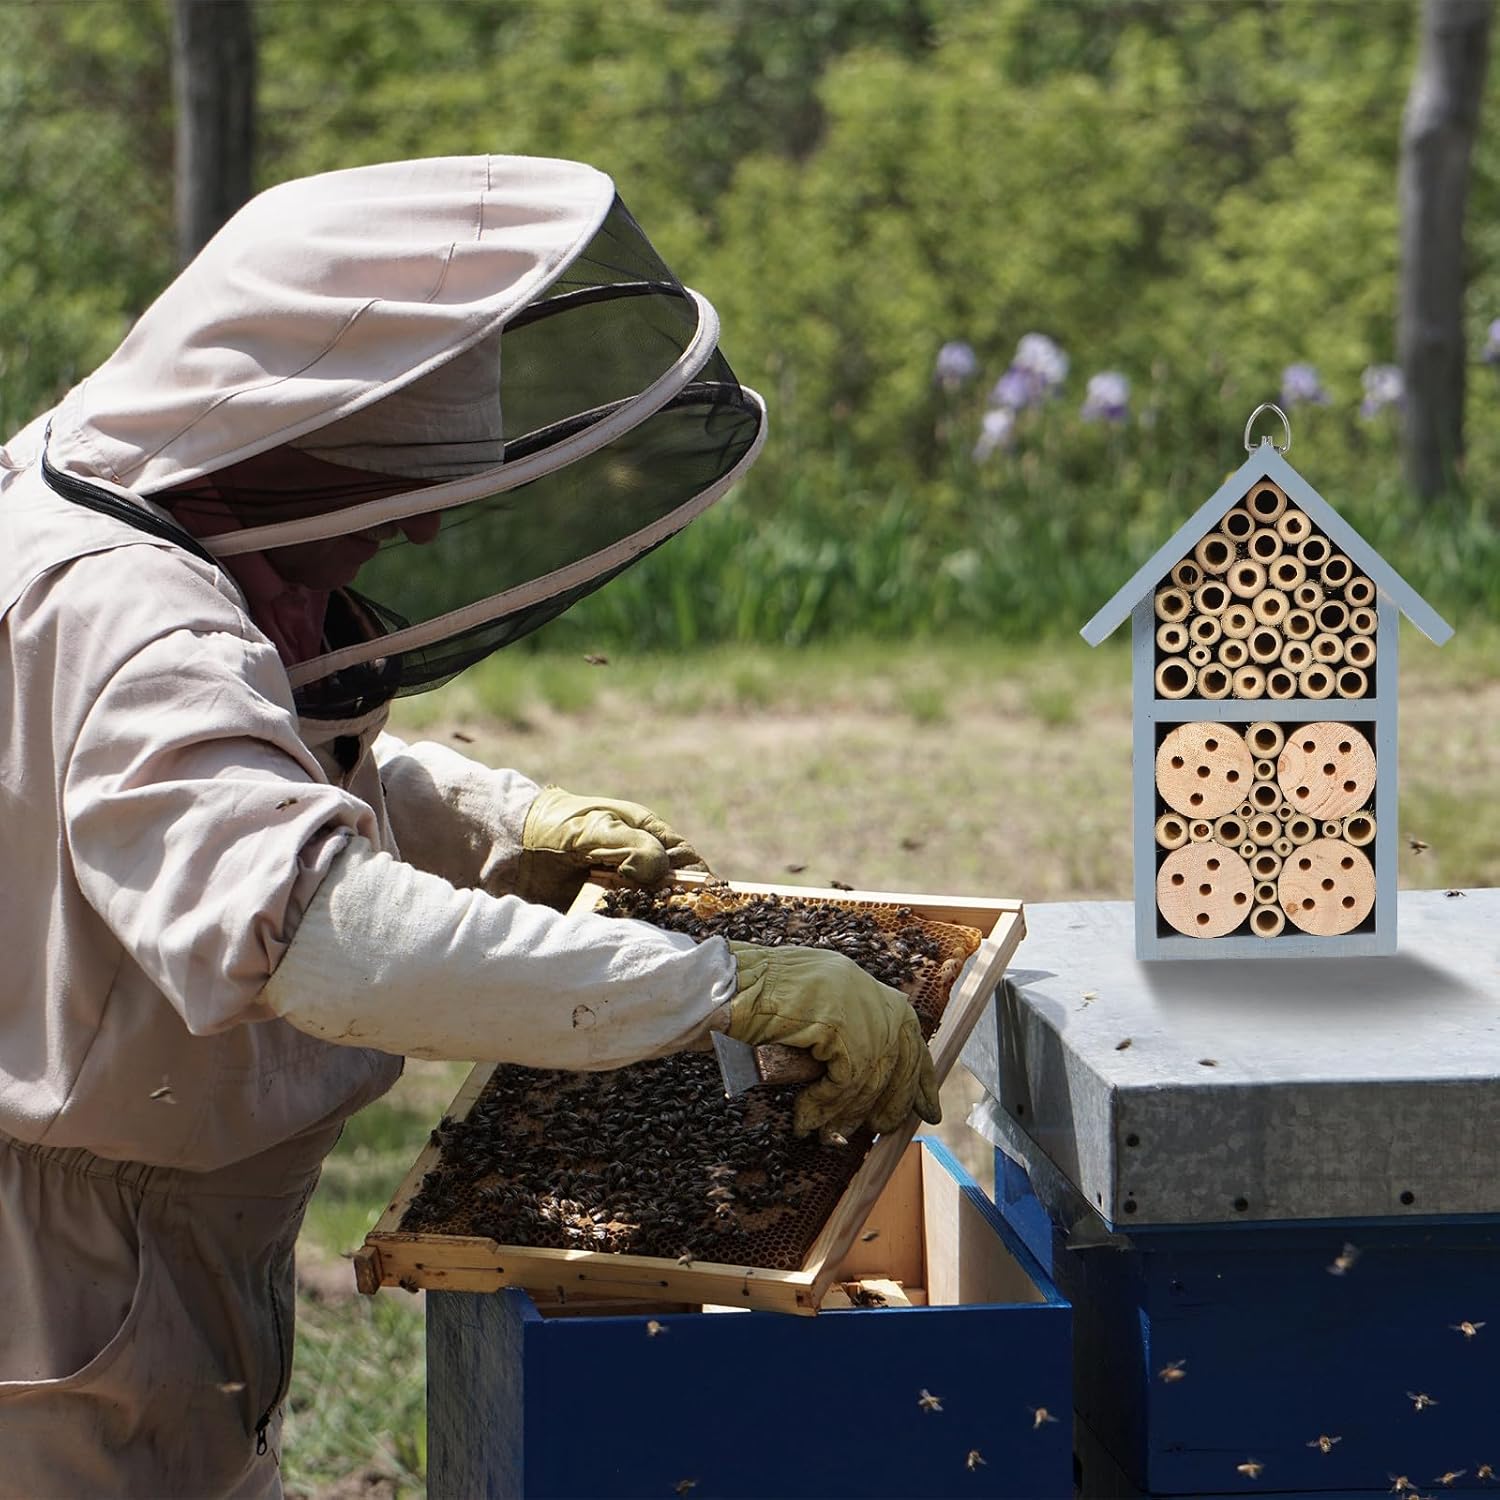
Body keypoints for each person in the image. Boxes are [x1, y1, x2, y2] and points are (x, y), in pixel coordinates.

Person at [0, 154, 940, 1497]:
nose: (425, 525)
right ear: (286, 444)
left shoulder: (82, 502)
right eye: (392, 485)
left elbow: (201, 781)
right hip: (66, 1283)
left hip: (124, 1250)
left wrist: (505, 819)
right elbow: (316, 934)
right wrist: (720, 987)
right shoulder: (134, 616)